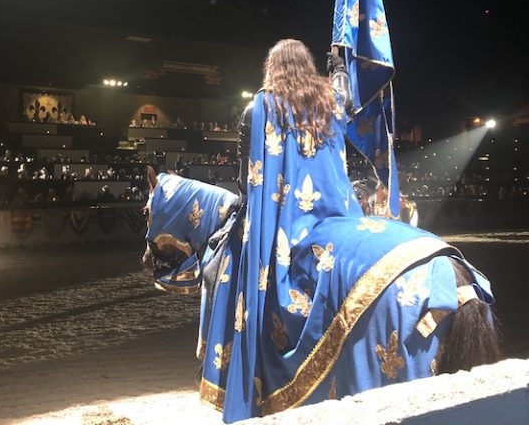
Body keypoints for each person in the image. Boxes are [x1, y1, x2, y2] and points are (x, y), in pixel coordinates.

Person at [195, 39, 495, 422]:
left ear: (271, 67)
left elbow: (248, 181)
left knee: (234, 269)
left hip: (287, 219)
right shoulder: (332, 104)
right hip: (338, 210)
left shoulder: (260, 106)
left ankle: (252, 379)